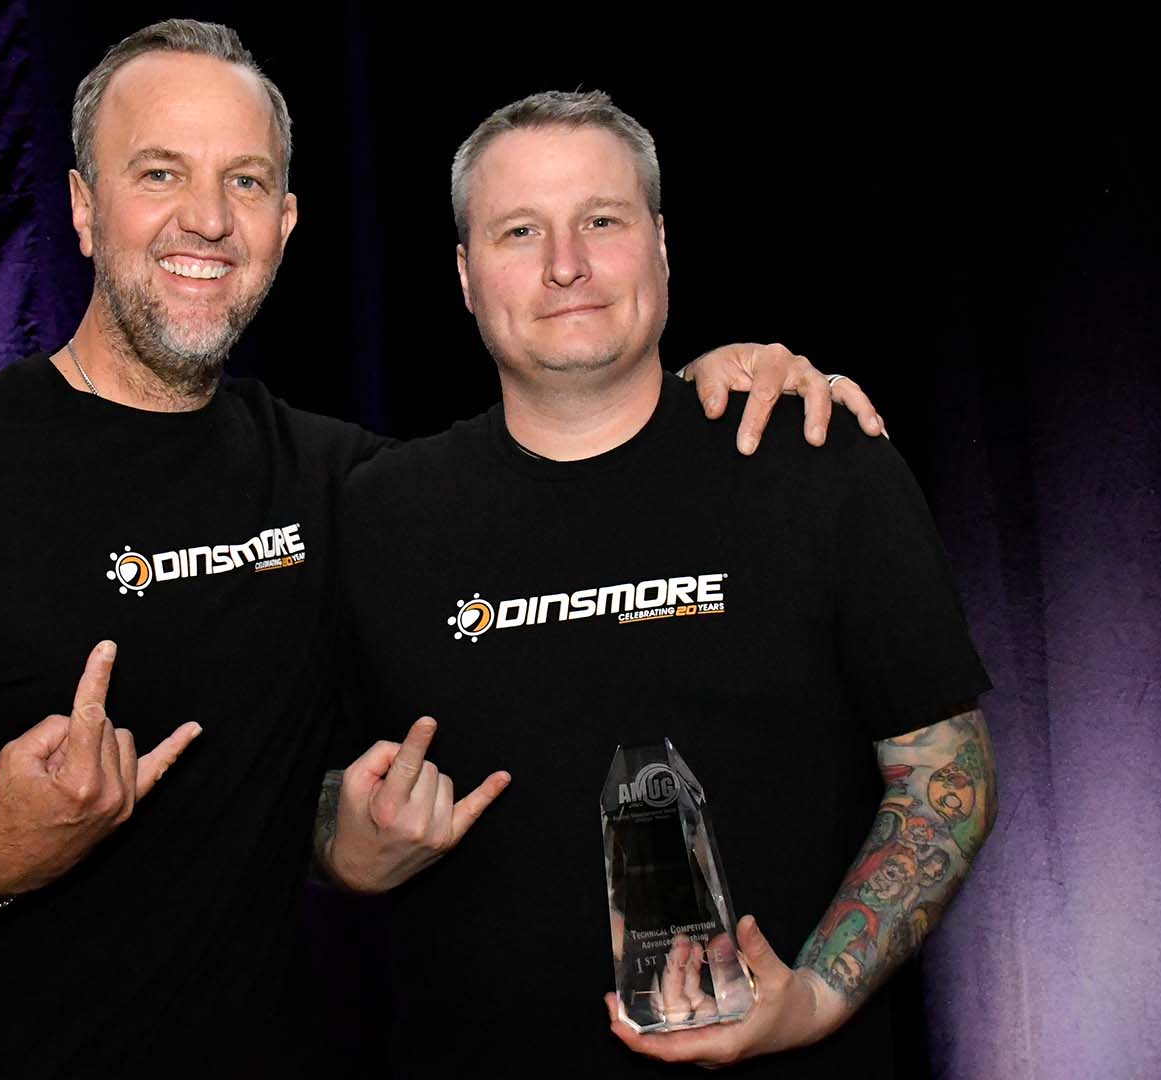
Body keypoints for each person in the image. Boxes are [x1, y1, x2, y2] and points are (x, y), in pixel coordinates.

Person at [0, 20, 881, 1076]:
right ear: (81, 207)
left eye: (246, 180)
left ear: (285, 222)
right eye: (159, 173)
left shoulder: (340, 483)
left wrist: (707, 391)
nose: (207, 218)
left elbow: (547, 475)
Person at [323, 90, 996, 1077]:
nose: (566, 264)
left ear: (662, 245)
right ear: (465, 275)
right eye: (520, 231)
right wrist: (344, 848)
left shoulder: (817, 460)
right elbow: (295, 793)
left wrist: (815, 998)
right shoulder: (377, 515)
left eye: (602, 220)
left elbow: (946, 778)